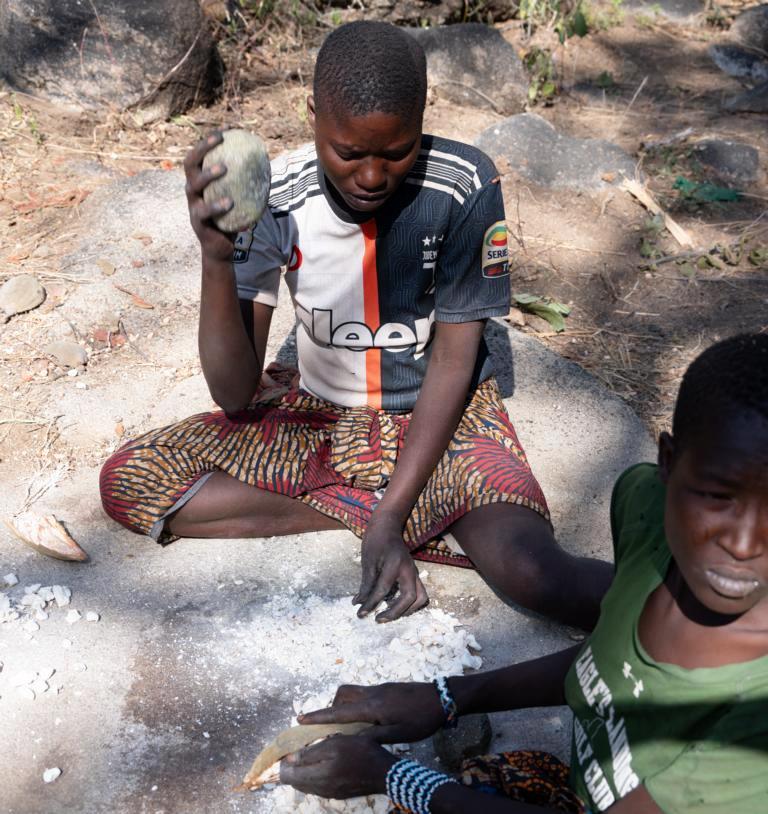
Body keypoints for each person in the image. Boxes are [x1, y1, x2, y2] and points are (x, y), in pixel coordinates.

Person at [99, 20, 610, 628]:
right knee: (129, 483)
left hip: (443, 422)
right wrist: (215, 258)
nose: (372, 176)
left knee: (536, 578)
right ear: (312, 112)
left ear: (424, 116)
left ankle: (395, 504)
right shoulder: (276, 200)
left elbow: (453, 360)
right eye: (350, 152)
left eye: (397, 151)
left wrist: (392, 519)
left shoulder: (464, 183)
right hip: (321, 421)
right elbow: (235, 394)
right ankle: (405, 507)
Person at [278, 333, 768, 813]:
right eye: (717, 497)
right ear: (668, 463)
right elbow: (615, 661)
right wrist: (448, 696)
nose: (744, 544)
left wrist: (395, 778)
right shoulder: (648, 514)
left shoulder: (751, 729)